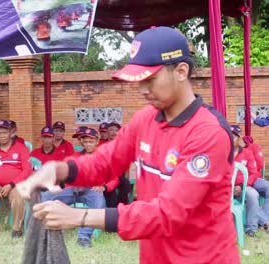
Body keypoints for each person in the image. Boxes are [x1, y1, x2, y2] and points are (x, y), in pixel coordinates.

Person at [17, 27, 239, 263]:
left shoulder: (208, 133)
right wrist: (59, 171)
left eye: (150, 80)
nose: (143, 90)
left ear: (181, 71)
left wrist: (80, 216)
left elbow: (167, 214)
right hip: (155, 256)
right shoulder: (145, 119)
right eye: (140, 81)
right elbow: (104, 162)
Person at [42, 128, 107, 248]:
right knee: (45, 196)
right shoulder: (75, 156)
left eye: (91, 141)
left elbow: (115, 178)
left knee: (99, 202)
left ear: (97, 141)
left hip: (91, 190)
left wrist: (104, 186)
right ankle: (44, 231)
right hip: (72, 190)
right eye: (85, 141)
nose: (88, 144)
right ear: (82, 142)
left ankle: (83, 237)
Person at [231, 125, 269, 237]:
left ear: (239, 138)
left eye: (234, 137)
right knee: (252, 194)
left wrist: (243, 186)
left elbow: (253, 173)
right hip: (233, 186)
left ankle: (264, 221)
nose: (231, 139)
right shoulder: (223, 153)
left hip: (246, 183)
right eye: (229, 136)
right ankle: (252, 228)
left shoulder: (246, 152)